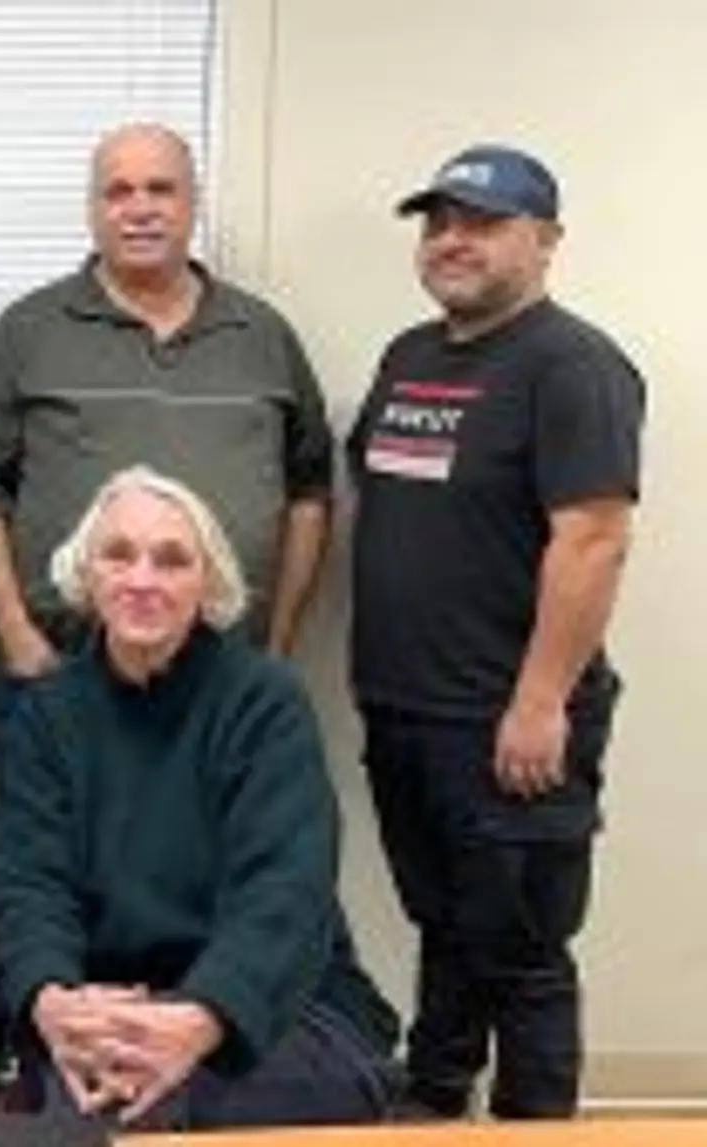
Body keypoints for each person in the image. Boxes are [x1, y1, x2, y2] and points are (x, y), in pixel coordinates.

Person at [0, 120, 336, 1100]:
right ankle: (51, 1060)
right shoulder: (30, 329)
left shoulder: (260, 334)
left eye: (160, 188)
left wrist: (273, 643)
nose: (140, 206)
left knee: (232, 900)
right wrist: (20, 637)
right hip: (57, 673)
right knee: (48, 890)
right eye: (118, 191)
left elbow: (308, 485)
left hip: (220, 675)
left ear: (191, 204)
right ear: (92, 207)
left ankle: (196, 1043)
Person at [348, 145, 645, 1121]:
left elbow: (592, 539)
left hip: (505, 718)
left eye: (479, 221)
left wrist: (538, 701)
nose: (449, 241)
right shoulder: (408, 357)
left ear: (545, 240)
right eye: (436, 222)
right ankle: (433, 1104)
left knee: (521, 959)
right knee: (442, 924)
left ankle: (533, 1132)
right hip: (403, 709)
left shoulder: (572, 366)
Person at [0, 466, 398, 1132]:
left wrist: (200, 1020)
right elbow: (29, 881)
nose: (142, 579)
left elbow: (285, 893)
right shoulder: (47, 713)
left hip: (275, 1005)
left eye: (171, 560)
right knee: (87, 1101)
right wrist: (52, 1000)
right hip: (112, 1007)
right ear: (87, 573)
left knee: (140, 1105)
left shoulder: (264, 702)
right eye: (119, 555)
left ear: (208, 584)